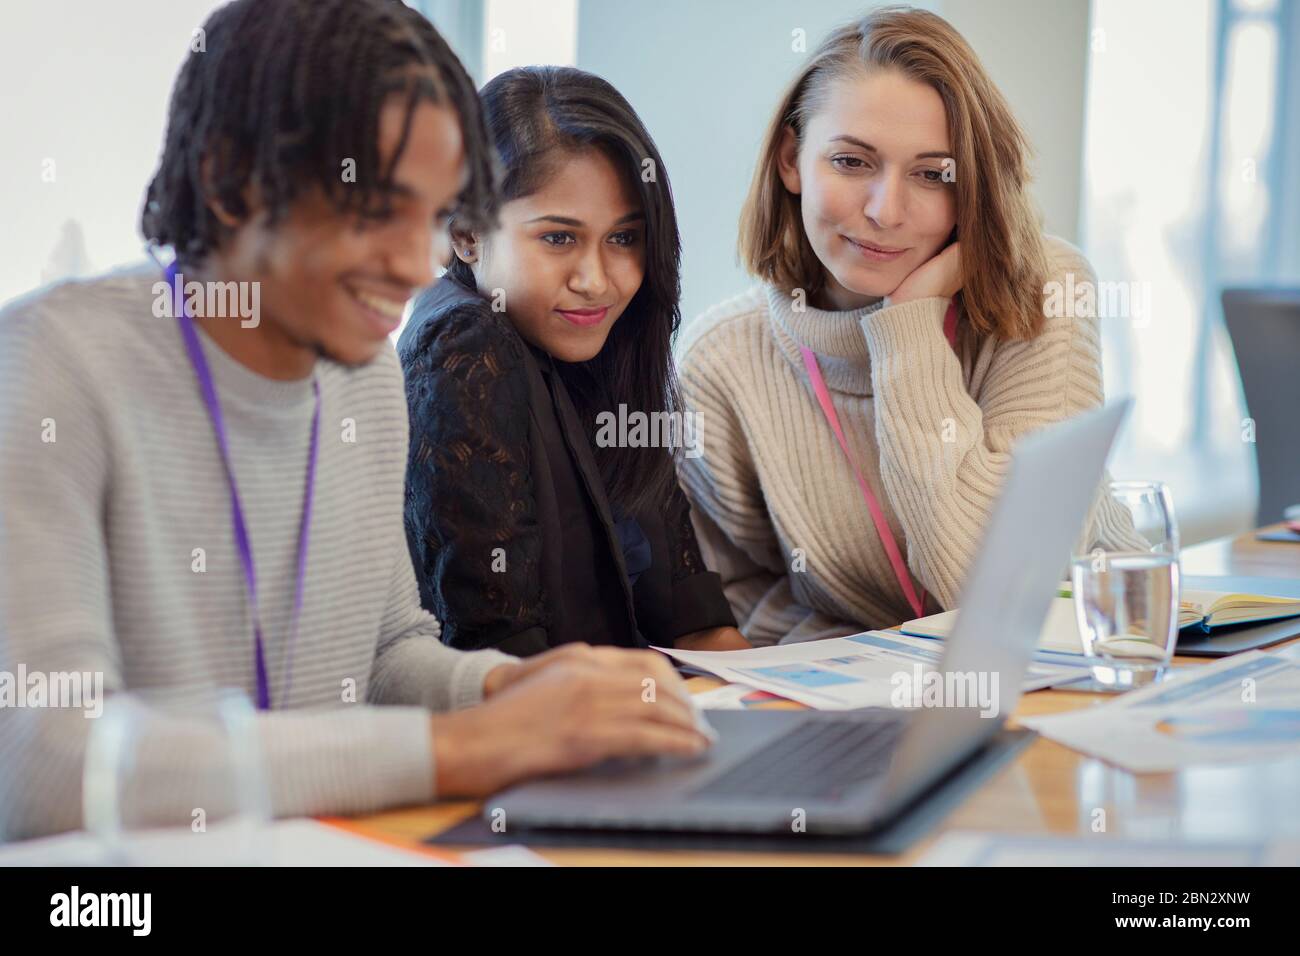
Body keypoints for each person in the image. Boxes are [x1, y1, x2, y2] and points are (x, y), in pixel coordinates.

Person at [0, 0, 710, 842]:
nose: (416, 265)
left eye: (433, 215)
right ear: (231, 181)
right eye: (378, 209)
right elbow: (47, 765)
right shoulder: (50, 362)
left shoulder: (364, 378)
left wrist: (508, 691)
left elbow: (382, 657)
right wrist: (459, 747)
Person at [677, 6, 1138, 646]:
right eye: (851, 162)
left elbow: (1001, 594)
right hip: (864, 710)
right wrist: (870, 653)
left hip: (1078, 667)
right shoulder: (720, 361)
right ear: (791, 159)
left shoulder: (1044, 291)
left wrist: (911, 325)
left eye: (932, 174)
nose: (886, 211)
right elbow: (731, 599)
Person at [400, 66, 749, 656]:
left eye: (624, 238)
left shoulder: (611, 344)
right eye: (559, 238)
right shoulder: (463, 345)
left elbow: (697, 624)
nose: (597, 281)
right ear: (465, 234)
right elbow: (506, 661)